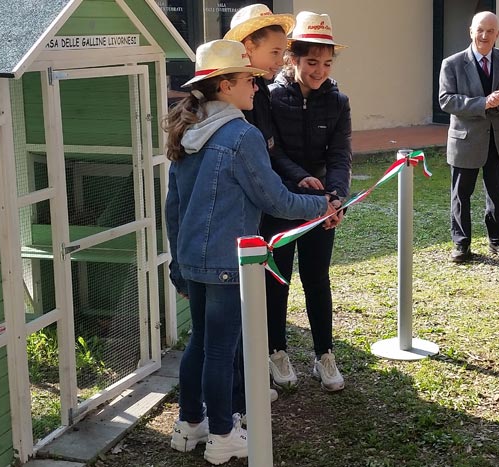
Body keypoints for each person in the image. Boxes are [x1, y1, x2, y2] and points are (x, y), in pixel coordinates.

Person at [165, 39, 336, 465]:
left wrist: (179, 263)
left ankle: (189, 426)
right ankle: (223, 434)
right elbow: (275, 200)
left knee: (200, 343)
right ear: (224, 85)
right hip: (227, 262)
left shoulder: (190, 130)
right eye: (249, 80)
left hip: (193, 259)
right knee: (222, 349)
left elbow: (173, 207)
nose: (257, 88)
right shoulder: (242, 134)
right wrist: (323, 205)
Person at [262, 11, 352, 392]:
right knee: (276, 278)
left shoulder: (338, 100)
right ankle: (276, 351)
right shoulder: (267, 97)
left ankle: (324, 355)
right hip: (279, 200)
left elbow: (340, 154)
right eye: (312, 61)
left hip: (320, 204)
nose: (320, 71)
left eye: (327, 63)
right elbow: (270, 149)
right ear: (292, 58)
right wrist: (298, 177)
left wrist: (335, 197)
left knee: (317, 277)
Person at [223, 2, 295, 414]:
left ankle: (249, 381)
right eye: (275, 52)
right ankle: (236, 398)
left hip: (260, 210)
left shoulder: (260, 92)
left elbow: (271, 149)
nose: (281, 61)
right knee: (234, 312)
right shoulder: (232, 98)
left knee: (256, 300)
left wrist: (297, 178)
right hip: (238, 219)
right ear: (247, 46)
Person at [439, 11, 499, 263]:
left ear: (498, 34)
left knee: (496, 192)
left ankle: (498, 242)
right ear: (471, 31)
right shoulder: (452, 63)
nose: (484, 35)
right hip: (466, 139)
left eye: (490, 31)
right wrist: (483, 103)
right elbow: (446, 100)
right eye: (480, 30)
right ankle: (461, 244)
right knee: (461, 194)